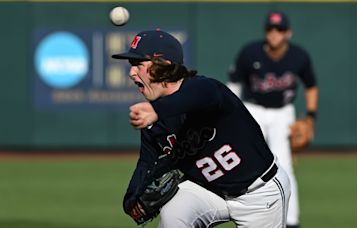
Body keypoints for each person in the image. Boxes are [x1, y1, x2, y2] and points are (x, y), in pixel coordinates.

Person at [112, 29, 291, 228]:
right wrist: (131, 199)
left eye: (138, 64)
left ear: (163, 65)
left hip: (259, 193)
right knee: (174, 214)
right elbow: (147, 162)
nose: (131, 72)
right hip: (207, 191)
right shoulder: (153, 123)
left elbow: (203, 96)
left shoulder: (205, 89)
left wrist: (157, 110)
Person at [227, 11, 319, 228]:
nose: (274, 34)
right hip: (253, 110)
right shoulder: (250, 52)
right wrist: (232, 115)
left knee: (285, 167)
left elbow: (311, 86)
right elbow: (234, 84)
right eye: (270, 29)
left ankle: (291, 221)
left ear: (288, 32)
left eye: (279, 29)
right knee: (245, 165)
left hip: (282, 113)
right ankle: (246, 216)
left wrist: (311, 117)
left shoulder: (299, 56)